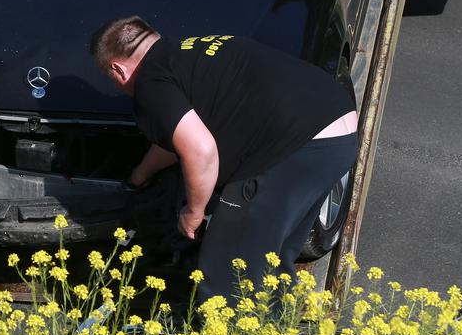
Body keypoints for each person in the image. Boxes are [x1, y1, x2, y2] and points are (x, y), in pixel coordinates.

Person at [90, 16, 359, 306]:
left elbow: (201, 151)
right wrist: (140, 175)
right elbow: (179, 136)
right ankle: (277, 323)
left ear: (117, 69)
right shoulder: (193, 50)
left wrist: (194, 211)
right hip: (338, 130)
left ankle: (233, 329)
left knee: (228, 267)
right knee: (271, 256)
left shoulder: (151, 83)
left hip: (297, 147)